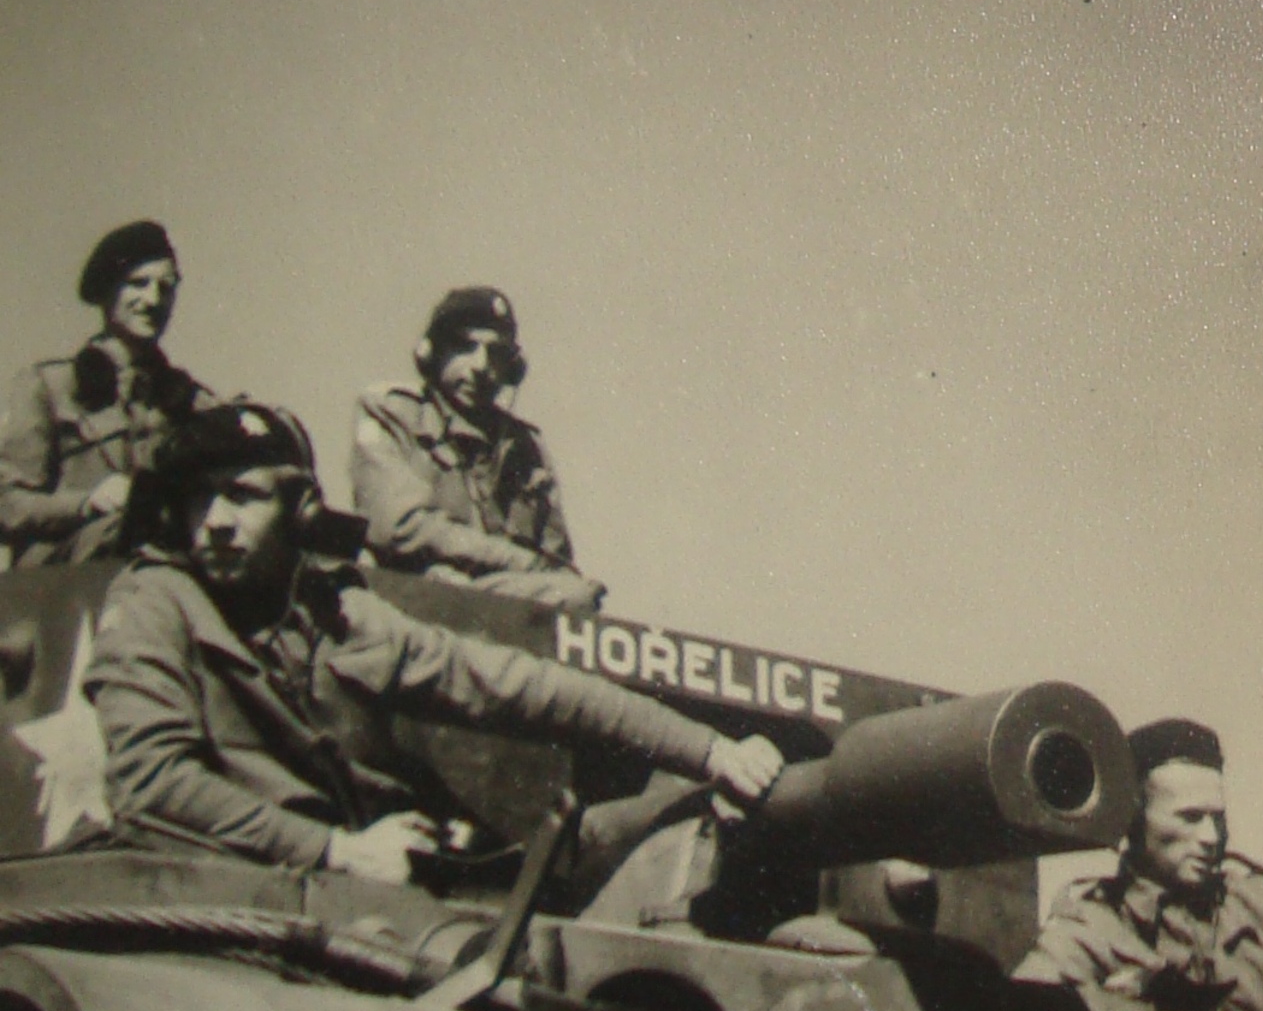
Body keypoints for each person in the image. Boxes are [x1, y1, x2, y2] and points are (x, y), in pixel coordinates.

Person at [85, 402, 781, 883]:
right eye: (199, 498)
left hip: (348, 881)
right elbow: (151, 780)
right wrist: (334, 851)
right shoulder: (155, 599)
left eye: (242, 495)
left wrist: (710, 751)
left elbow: (516, 685)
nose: (214, 521)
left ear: (298, 512)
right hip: (220, 884)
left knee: (649, 828)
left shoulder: (333, 612)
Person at [1014, 717, 1263, 1011]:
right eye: (1190, 817)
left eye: (1217, 818)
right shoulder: (1092, 929)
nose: (1211, 837)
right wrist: (1104, 1009)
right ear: (1135, 819)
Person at [349, 286, 604, 611]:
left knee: (577, 598)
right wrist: (520, 562)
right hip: (413, 596)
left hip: (504, 603)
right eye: (465, 347)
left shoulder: (526, 448)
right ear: (432, 352)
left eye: (495, 353)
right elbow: (398, 528)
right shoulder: (394, 412)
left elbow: (555, 563)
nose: (481, 366)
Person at [0, 221, 215, 565]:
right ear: (106, 291)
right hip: (64, 577)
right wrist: (87, 503)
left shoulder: (192, 401)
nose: (153, 300)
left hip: (161, 566)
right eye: (138, 284)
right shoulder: (49, 386)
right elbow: (7, 505)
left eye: (166, 287)